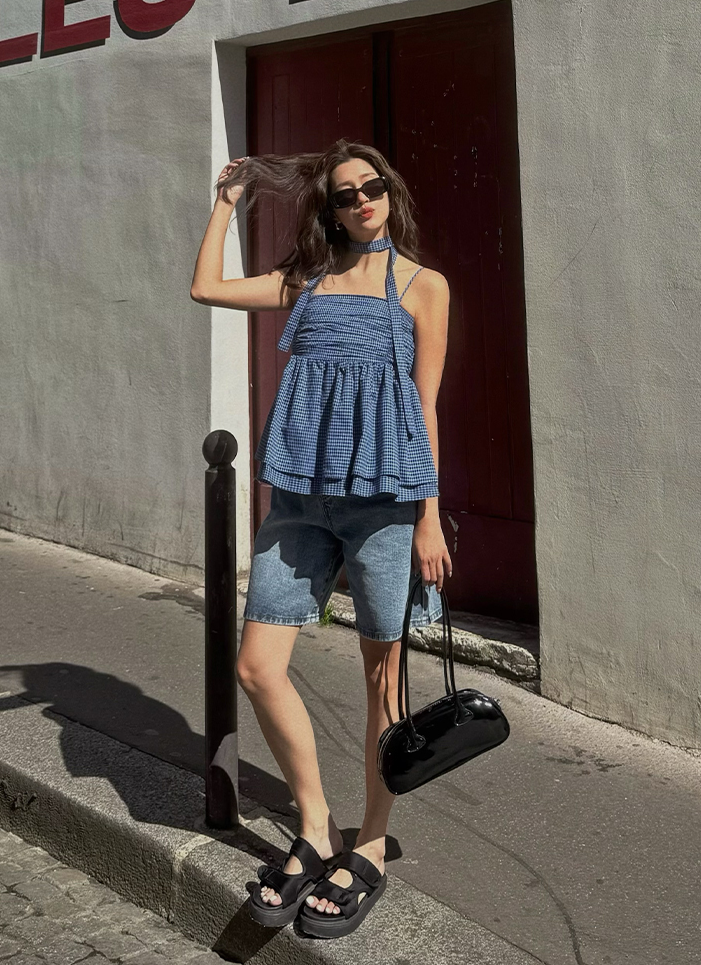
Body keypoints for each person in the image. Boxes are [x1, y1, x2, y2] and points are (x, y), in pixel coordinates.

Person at [190, 138, 452, 939]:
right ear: (330, 210)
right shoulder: (306, 279)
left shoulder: (423, 286)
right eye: (345, 194)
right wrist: (227, 203)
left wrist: (429, 515)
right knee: (256, 666)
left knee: (383, 681)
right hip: (300, 502)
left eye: (373, 186)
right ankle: (314, 826)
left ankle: (369, 842)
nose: (363, 200)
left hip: (385, 505)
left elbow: (424, 404)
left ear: (390, 192)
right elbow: (205, 287)